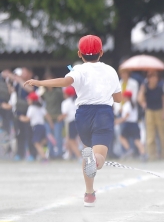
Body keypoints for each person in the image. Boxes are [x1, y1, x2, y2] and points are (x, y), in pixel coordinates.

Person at [24, 35, 122, 207]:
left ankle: (89, 193)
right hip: (103, 113)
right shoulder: (111, 71)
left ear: (79, 53)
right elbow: (119, 98)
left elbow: (64, 82)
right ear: (101, 52)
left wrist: (39, 82)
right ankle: (95, 163)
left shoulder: (79, 70)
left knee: (87, 150)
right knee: (98, 158)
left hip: (83, 114)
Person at [138, 70, 164, 160]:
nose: (153, 79)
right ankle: (152, 155)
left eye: (154, 77)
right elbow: (139, 99)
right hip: (149, 111)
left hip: (159, 110)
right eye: (151, 77)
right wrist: (143, 102)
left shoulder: (160, 87)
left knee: (163, 135)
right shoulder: (145, 87)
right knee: (150, 135)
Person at [116, 90, 145, 159]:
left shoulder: (127, 105)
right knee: (137, 140)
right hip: (135, 124)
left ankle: (129, 150)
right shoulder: (133, 104)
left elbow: (126, 116)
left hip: (128, 124)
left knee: (122, 137)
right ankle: (143, 153)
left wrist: (117, 121)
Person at [20, 92, 48, 161]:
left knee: (36, 143)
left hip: (36, 126)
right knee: (42, 141)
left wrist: (21, 118)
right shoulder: (41, 107)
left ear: (32, 100)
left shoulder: (31, 108)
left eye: (29, 99)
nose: (27, 101)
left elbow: (28, 119)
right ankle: (42, 155)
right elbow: (47, 115)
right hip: (42, 126)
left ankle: (44, 158)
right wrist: (51, 124)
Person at [60, 86, 81, 160]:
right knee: (76, 140)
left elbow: (65, 114)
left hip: (71, 122)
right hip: (79, 121)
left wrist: (59, 118)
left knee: (71, 140)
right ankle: (70, 154)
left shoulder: (65, 103)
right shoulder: (77, 101)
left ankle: (79, 157)